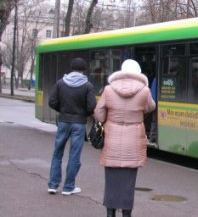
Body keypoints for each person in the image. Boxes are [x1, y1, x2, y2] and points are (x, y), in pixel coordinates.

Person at [94, 59, 156, 217]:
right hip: (133, 141)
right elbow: (151, 107)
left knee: (111, 180)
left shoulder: (108, 90)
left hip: (112, 139)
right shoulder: (144, 91)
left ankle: (110, 213)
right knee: (129, 181)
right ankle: (127, 213)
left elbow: (99, 113)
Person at [47, 57, 97, 195]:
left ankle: (52, 185)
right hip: (79, 124)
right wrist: (83, 114)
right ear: (84, 70)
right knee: (74, 155)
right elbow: (92, 106)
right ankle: (68, 187)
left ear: (71, 68)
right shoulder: (88, 86)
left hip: (63, 121)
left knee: (57, 153)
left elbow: (52, 102)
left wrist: (62, 111)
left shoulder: (60, 83)